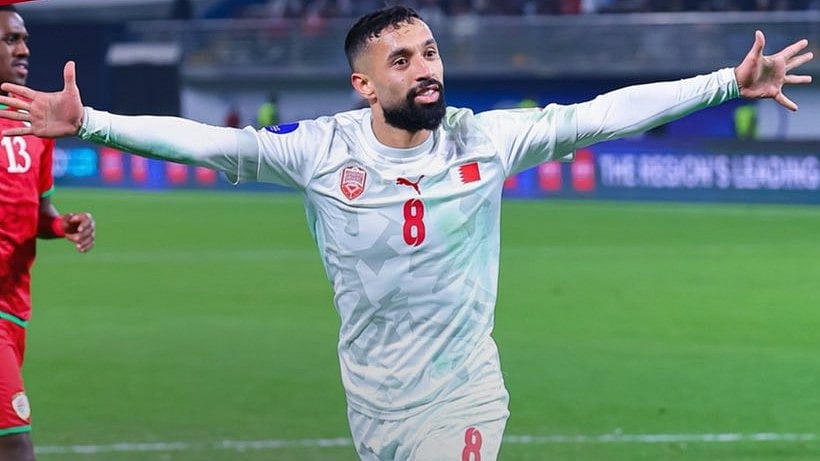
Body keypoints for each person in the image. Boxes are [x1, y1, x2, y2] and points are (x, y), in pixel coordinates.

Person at [0, 5, 812, 460]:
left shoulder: (483, 140)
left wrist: (725, 83)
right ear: (363, 84)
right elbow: (216, 143)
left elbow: (599, 116)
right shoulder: (321, 151)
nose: (427, 69)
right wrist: (95, 123)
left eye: (430, 53)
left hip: (464, 394)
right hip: (373, 403)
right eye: (402, 61)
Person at [0, 5, 95, 461]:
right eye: (10, 40)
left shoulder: (35, 119)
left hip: (15, 310)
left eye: (24, 39)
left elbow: (36, 211)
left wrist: (62, 224)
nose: (23, 49)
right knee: (16, 446)